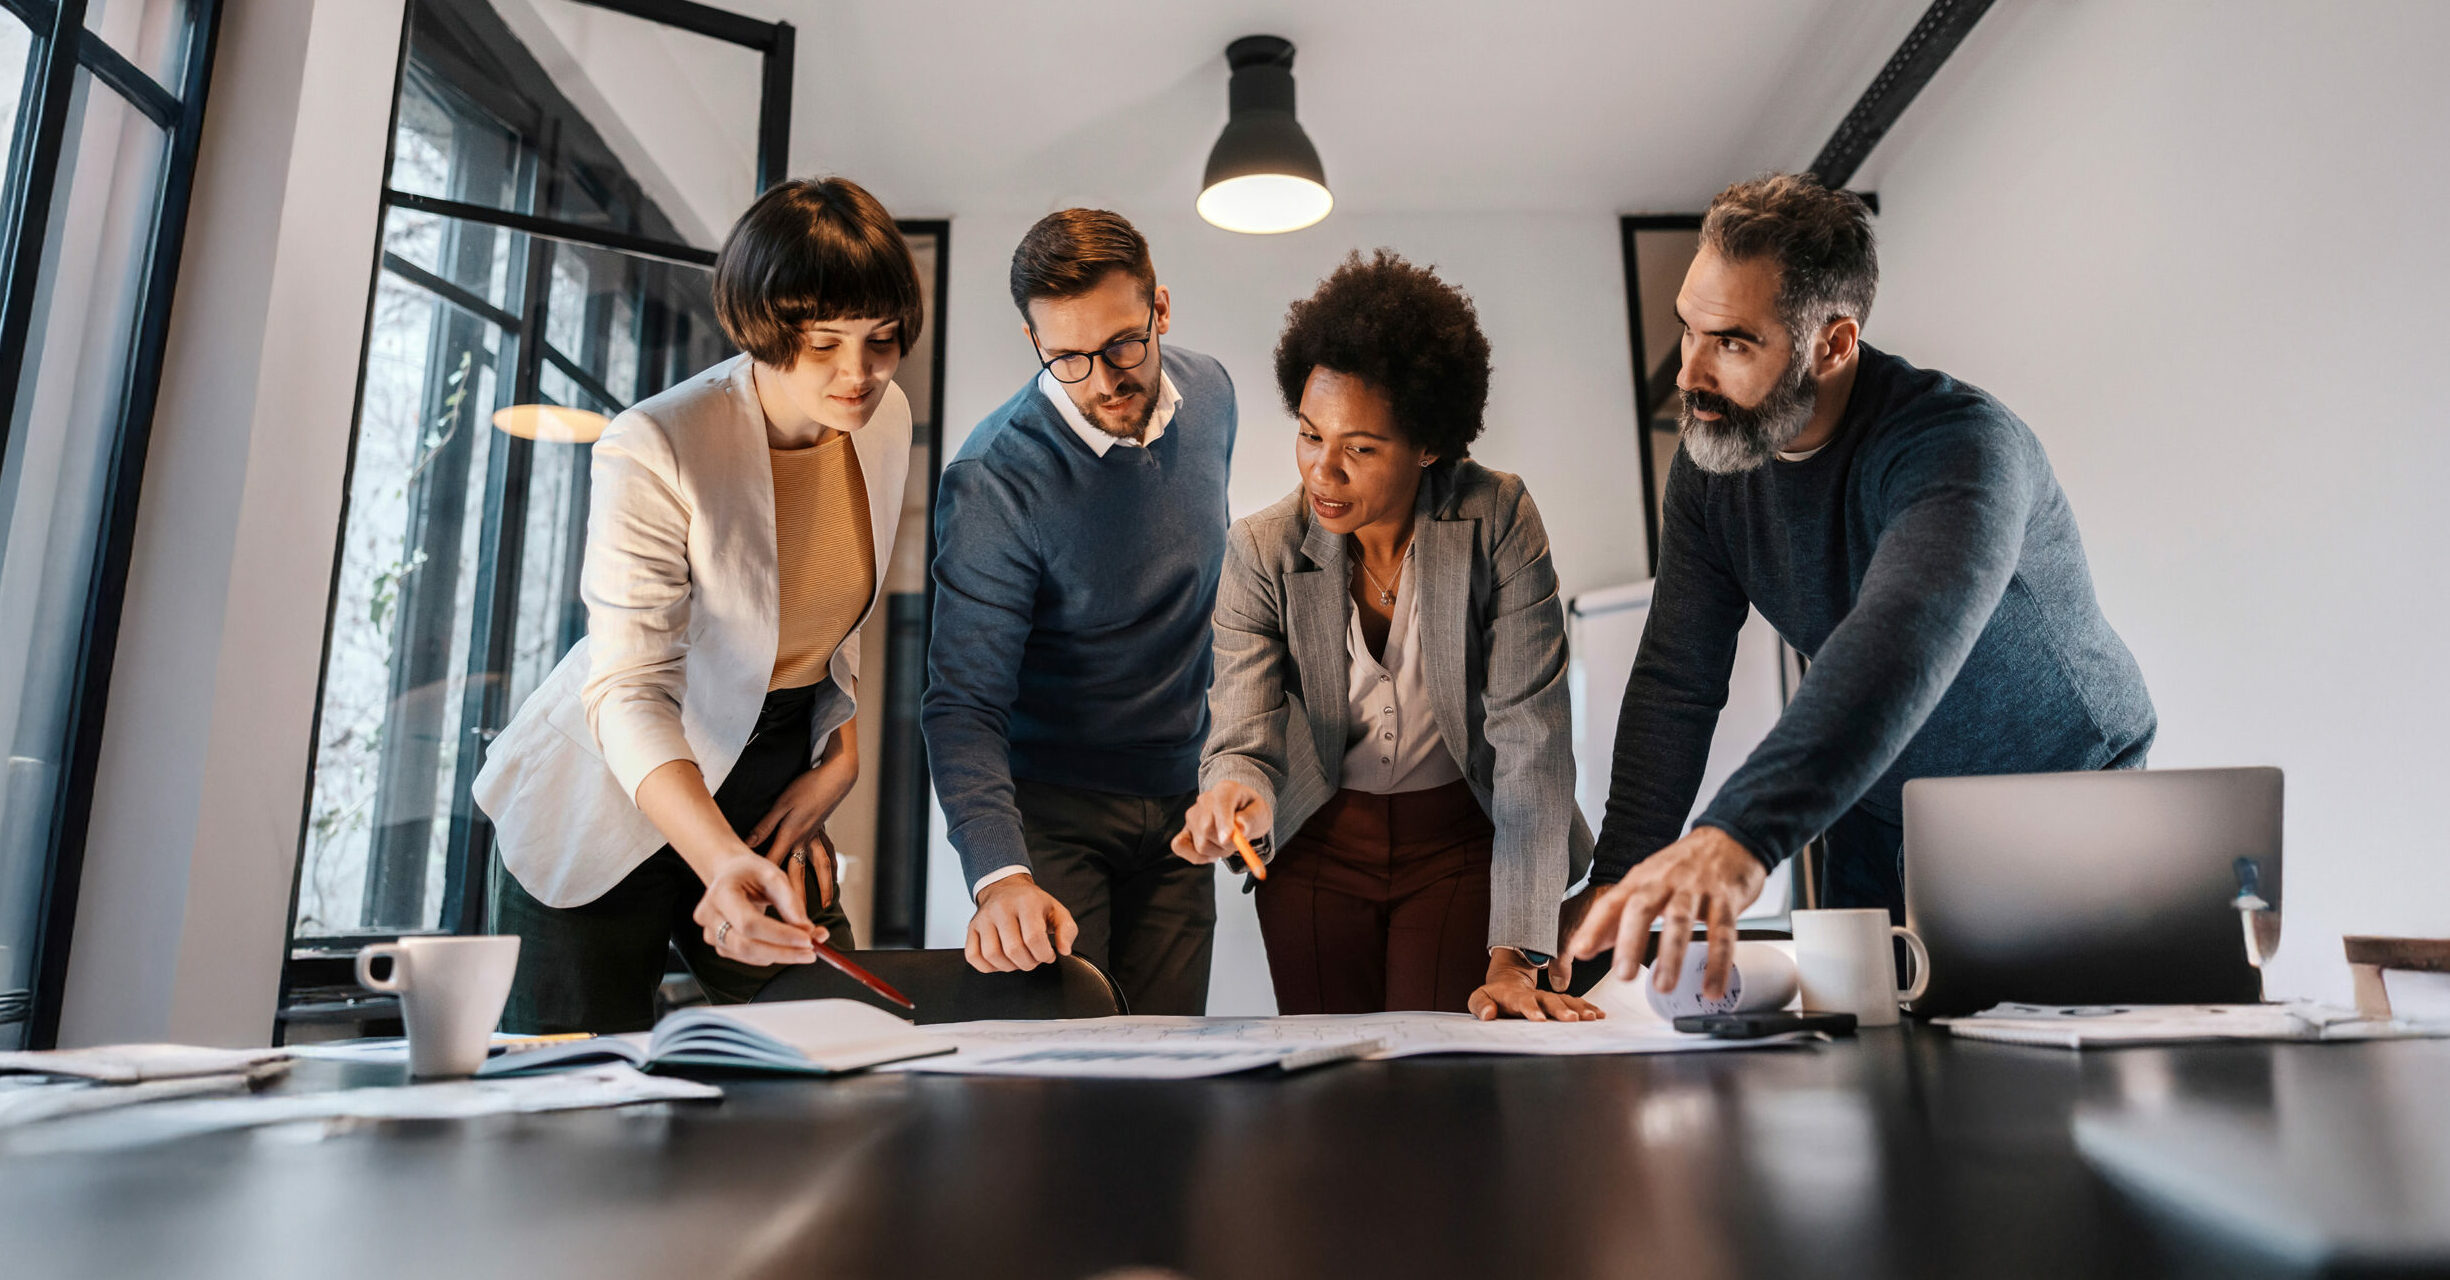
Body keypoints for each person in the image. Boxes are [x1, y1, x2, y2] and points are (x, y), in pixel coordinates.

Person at [1566, 173, 2157, 999]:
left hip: (2052, 797)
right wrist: (1612, 894)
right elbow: (1677, 683)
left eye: (1733, 342)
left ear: (1834, 344)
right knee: (1871, 1063)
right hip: (1876, 802)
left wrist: (1738, 835)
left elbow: (1900, 637)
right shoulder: (1713, 470)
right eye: (1686, 331)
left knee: (2035, 1079)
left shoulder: (1960, 448)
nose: (1689, 374)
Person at [472, 177, 922, 1033]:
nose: (857, 373)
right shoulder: (658, 444)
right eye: (823, 343)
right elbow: (629, 689)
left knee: (839, 1052)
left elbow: (830, 617)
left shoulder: (884, 419)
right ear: (760, 328)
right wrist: (716, 857)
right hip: (617, 790)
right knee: (583, 1110)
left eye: (882, 339)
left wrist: (841, 753)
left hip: (765, 780)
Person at [1173, 250, 1599, 1021]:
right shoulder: (1260, 548)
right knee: (1331, 1084)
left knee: (1442, 1077)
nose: (1321, 473)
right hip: (1316, 848)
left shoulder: (1496, 518)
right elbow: (1244, 730)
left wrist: (1514, 957)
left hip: (1461, 848)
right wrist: (1232, 792)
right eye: (1309, 436)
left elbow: (1531, 737)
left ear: (1429, 445)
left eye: (1360, 449)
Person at [924, 210, 1236, 1014]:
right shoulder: (993, 480)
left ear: (1160, 309)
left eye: (1123, 344)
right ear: (1035, 344)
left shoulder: (1212, 396)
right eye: (1067, 357)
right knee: (1067, 1069)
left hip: (1180, 803)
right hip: (1051, 815)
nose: (1102, 380)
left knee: (1174, 1069)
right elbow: (963, 704)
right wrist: (1001, 877)